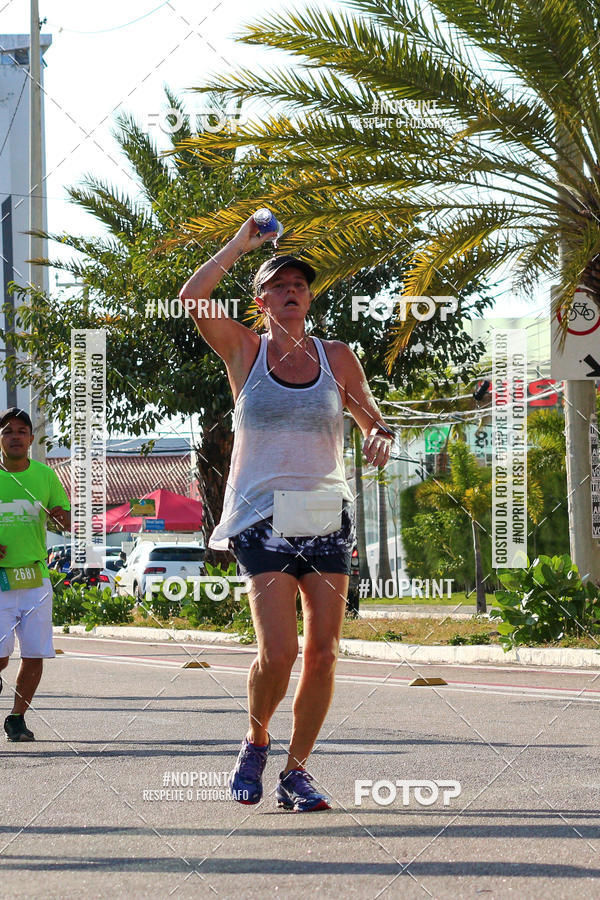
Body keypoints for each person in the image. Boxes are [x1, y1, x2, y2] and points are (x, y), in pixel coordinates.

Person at [179, 216, 392, 811]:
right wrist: (242, 244)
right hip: (259, 513)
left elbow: (375, 422)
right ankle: (255, 738)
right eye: (279, 283)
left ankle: (296, 772)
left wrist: (380, 437)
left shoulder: (338, 357)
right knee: (279, 653)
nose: (293, 290)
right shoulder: (244, 351)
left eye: (300, 284)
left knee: (323, 651)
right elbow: (192, 299)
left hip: (324, 510)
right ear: (261, 299)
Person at [0, 408, 71, 742]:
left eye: (21, 431)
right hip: (0, 578)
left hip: (35, 578)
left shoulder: (45, 476)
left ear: (30, 438)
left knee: (34, 653)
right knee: (0, 657)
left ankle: (16, 717)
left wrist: (62, 517)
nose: (15, 436)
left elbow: (68, 521)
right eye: (8, 431)